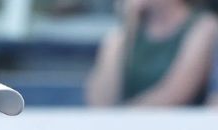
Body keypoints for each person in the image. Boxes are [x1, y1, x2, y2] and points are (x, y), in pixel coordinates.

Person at [86, 0, 218, 106]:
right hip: (126, 128)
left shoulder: (204, 27)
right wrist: (127, 30)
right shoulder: (122, 34)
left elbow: (174, 94)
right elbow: (99, 101)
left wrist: (121, 121)